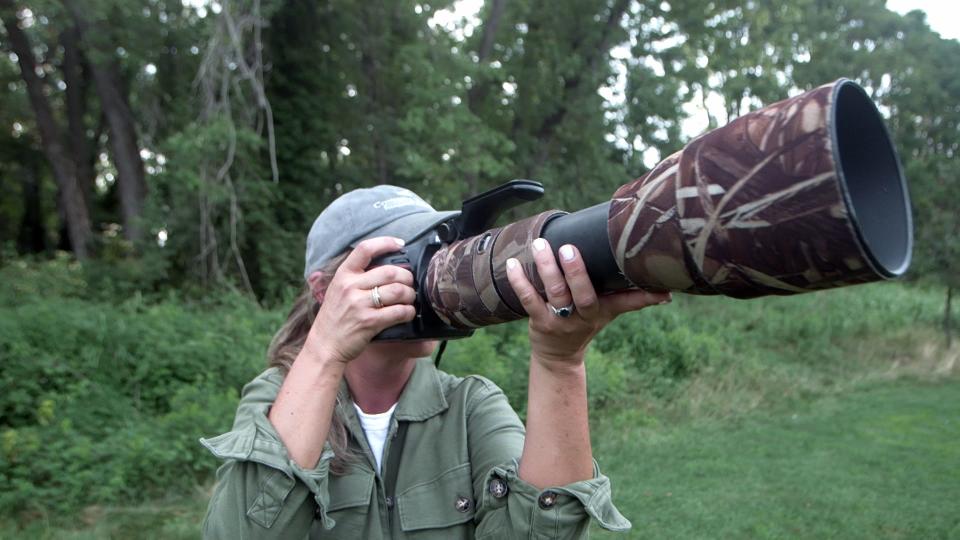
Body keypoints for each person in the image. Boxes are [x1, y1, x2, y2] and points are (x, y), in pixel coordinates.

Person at [201, 185, 670, 539]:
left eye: (438, 252)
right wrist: (323, 349)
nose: (430, 274)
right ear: (326, 290)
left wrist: (560, 361)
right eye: (408, 257)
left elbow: (541, 532)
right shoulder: (276, 399)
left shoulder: (467, 407)